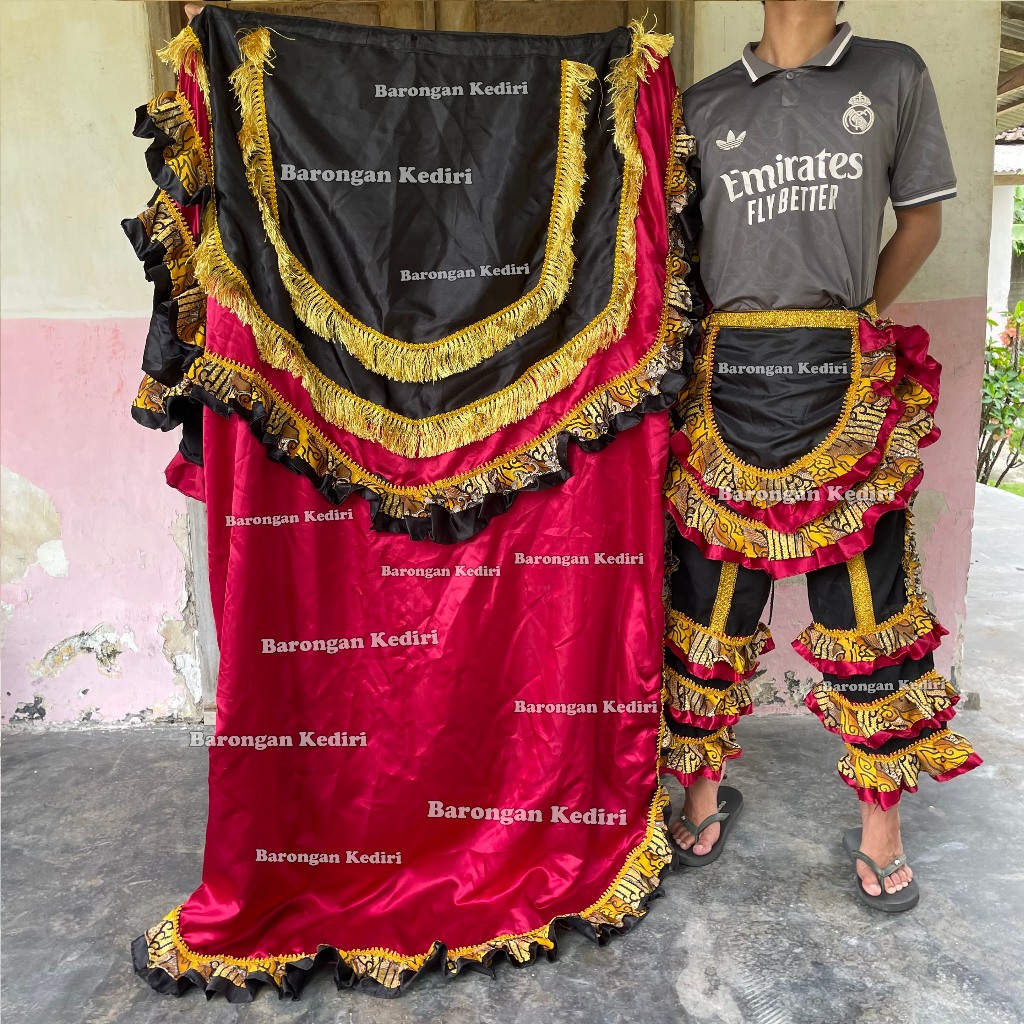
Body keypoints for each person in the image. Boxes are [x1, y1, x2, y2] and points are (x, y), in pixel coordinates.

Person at [660, 0, 981, 911]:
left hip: (843, 370)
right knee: (711, 590)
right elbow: (676, 249)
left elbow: (918, 219)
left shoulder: (892, 73)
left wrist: (863, 319)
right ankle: (701, 791)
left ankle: (882, 824)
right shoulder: (704, 103)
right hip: (725, 376)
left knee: (867, 598)